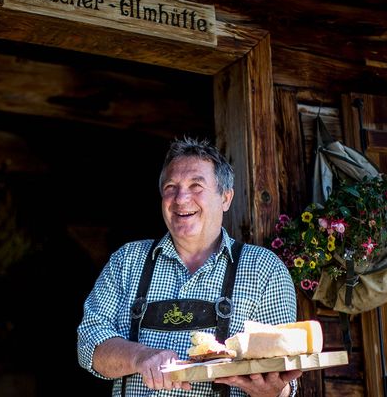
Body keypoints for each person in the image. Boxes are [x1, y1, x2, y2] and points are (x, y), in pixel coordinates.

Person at [77, 136, 302, 396]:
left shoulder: (264, 269)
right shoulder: (127, 260)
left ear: (226, 197)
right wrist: (141, 357)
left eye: (196, 186)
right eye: (171, 187)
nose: (181, 198)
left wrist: (272, 390)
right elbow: (89, 343)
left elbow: (284, 376)